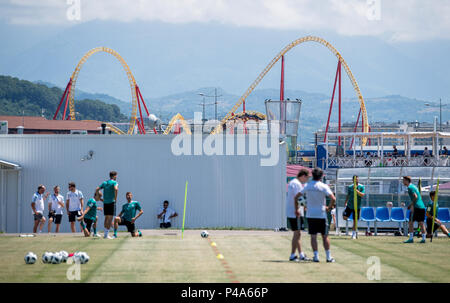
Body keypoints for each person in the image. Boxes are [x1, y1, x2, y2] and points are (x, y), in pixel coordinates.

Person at [298, 168, 336, 263]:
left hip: (311, 214)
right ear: (321, 176)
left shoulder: (308, 186)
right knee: (325, 236)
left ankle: (316, 256)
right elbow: (333, 198)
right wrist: (329, 207)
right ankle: (328, 257)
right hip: (321, 213)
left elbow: (298, 196)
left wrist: (305, 205)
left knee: (313, 236)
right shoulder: (323, 186)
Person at [286, 169, 310, 262]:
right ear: (303, 176)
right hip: (294, 212)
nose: (306, 180)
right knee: (297, 233)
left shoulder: (293, 182)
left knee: (298, 233)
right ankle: (292, 255)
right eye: (306, 178)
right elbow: (297, 198)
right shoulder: (297, 184)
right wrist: (298, 209)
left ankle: (301, 254)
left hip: (293, 211)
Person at [403, 176, 427, 243]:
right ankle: (423, 239)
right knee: (421, 223)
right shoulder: (414, 186)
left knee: (411, 222)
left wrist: (411, 205)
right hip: (421, 206)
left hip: (416, 207)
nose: (403, 182)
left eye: (404, 180)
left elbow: (415, 197)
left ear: (407, 181)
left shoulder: (410, 187)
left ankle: (411, 239)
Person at [96, 171, 118, 239]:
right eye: (116, 176)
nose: (116, 177)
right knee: (110, 218)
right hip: (111, 202)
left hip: (105, 202)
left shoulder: (104, 182)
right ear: (114, 176)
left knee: (106, 218)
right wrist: (115, 198)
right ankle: (106, 235)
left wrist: (97, 197)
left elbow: (97, 189)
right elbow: (116, 189)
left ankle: (105, 234)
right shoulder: (115, 182)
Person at [343, 175, 365, 239]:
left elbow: (362, 195)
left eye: (357, 179)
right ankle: (354, 230)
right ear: (353, 180)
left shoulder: (361, 186)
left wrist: (356, 190)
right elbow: (348, 195)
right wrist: (346, 202)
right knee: (344, 217)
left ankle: (354, 234)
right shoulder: (350, 187)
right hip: (350, 205)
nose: (356, 180)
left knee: (355, 221)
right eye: (355, 179)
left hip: (357, 206)